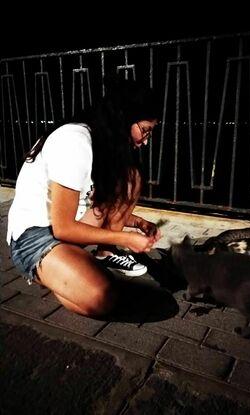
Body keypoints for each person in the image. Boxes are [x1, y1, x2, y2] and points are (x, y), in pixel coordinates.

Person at [6, 77, 162, 317]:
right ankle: (54, 272)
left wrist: (139, 223)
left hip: (67, 229)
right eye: (144, 130)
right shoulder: (75, 140)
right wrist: (125, 238)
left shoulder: (102, 144)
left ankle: (103, 254)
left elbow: (93, 204)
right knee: (103, 298)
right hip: (34, 237)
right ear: (123, 118)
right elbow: (63, 228)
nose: (144, 141)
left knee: (131, 177)